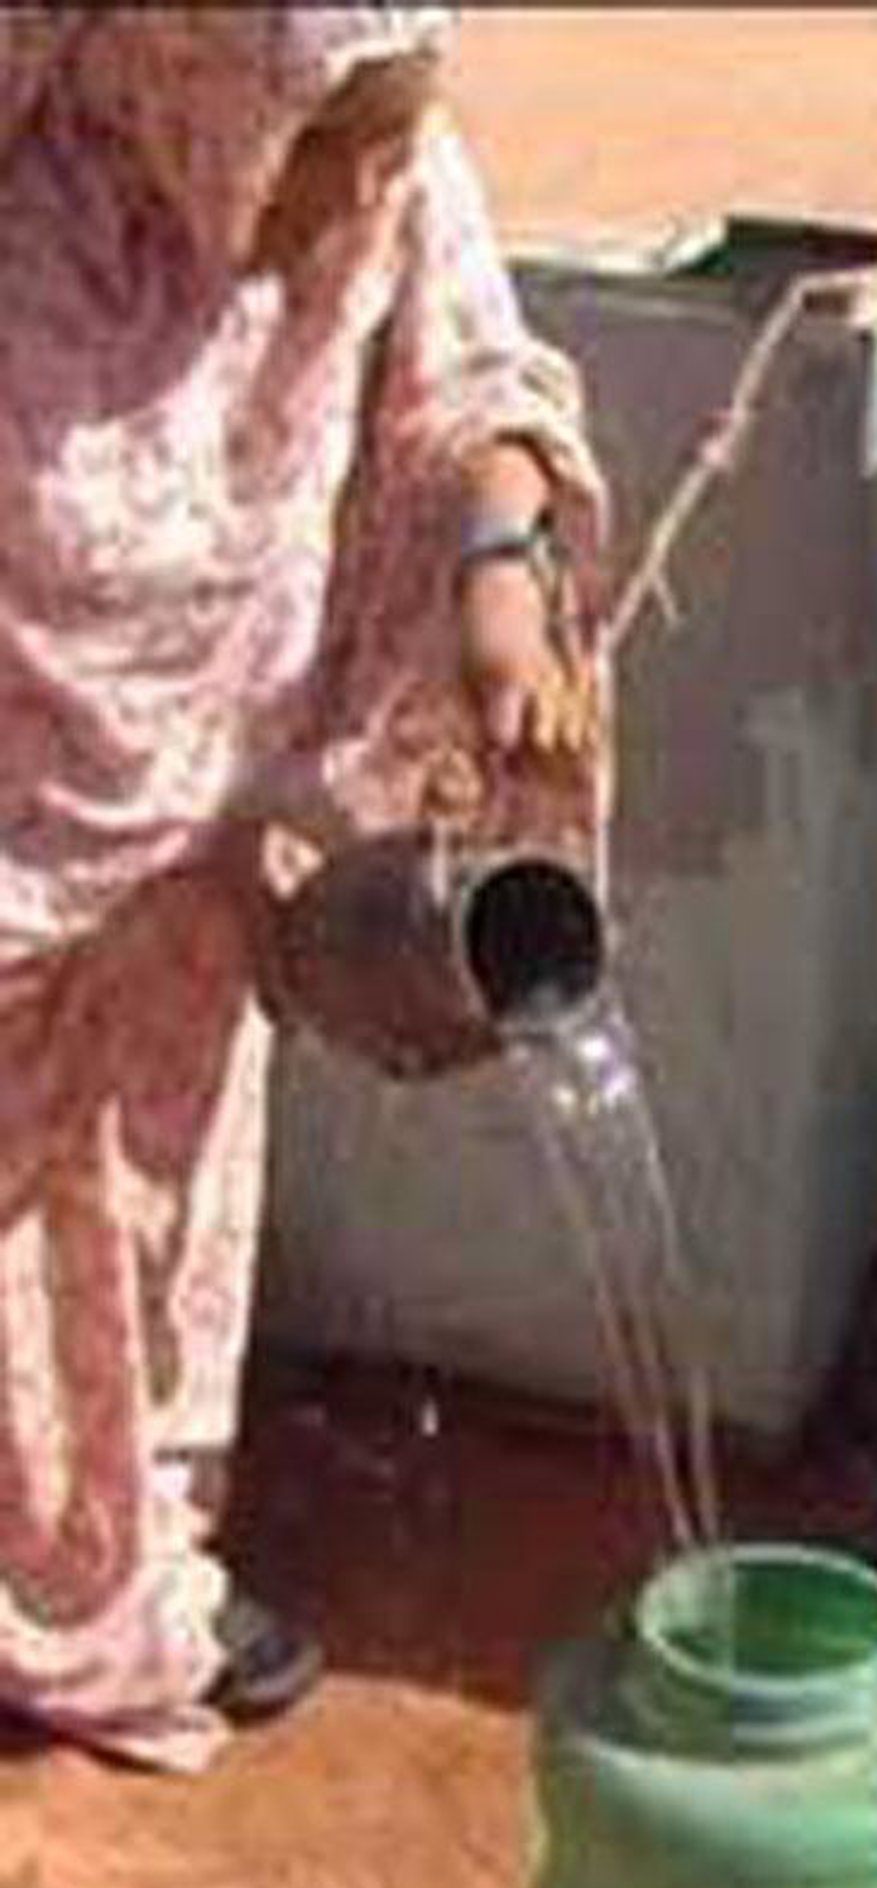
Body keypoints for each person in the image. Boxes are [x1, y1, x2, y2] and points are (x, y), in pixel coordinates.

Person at [0, 7, 608, 1770]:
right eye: (315, 143)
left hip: (200, 833)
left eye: (377, 143)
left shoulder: (387, 161)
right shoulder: (37, 168)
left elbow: (480, 386)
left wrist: (500, 576)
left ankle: (108, 1573)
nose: (352, 189)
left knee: (144, 1211)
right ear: (191, 75)